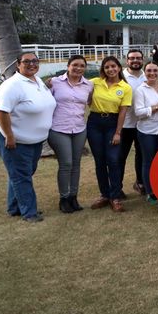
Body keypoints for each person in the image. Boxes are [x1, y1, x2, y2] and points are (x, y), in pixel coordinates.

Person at [0, 52, 56, 222]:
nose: (31, 64)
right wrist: (9, 135)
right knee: (21, 175)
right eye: (26, 61)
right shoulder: (12, 85)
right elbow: (2, 111)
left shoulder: (37, 81)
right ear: (18, 64)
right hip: (15, 139)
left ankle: (14, 208)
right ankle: (29, 212)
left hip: (35, 140)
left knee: (23, 173)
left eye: (35, 61)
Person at [47, 55, 92, 213]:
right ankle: (64, 198)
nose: (78, 68)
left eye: (82, 66)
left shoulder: (88, 85)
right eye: (75, 65)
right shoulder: (55, 82)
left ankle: (73, 197)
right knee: (66, 163)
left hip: (79, 129)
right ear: (68, 66)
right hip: (58, 128)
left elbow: (90, 102)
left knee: (76, 164)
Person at [88, 56, 133, 212]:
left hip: (112, 124)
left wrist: (118, 133)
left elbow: (123, 112)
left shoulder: (125, 88)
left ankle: (115, 196)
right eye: (107, 67)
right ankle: (104, 195)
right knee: (99, 161)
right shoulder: (94, 82)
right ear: (103, 70)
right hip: (94, 123)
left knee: (113, 160)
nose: (110, 70)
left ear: (119, 68)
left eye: (113, 66)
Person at [133, 61, 158, 205]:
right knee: (148, 161)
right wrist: (157, 106)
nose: (152, 73)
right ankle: (150, 192)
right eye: (148, 70)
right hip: (147, 131)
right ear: (145, 72)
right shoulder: (140, 90)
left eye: (155, 70)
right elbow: (139, 112)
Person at [120, 49, 146, 196]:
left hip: (142, 124)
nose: (135, 61)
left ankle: (140, 183)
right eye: (132, 58)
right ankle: (117, 187)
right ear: (127, 60)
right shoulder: (120, 76)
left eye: (138, 58)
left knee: (141, 155)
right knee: (120, 157)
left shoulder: (147, 75)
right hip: (124, 124)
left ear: (142, 59)